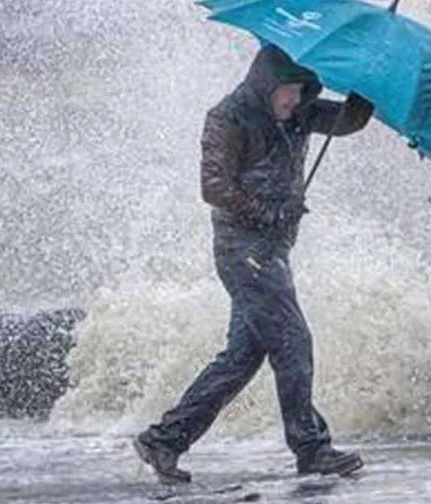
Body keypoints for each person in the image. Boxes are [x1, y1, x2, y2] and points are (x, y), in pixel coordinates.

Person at [133, 44, 374, 484]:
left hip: (273, 252)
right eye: (288, 92)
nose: (294, 101)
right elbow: (213, 186)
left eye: (302, 92)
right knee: (293, 339)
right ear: (266, 84)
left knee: (242, 356)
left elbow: (347, 121)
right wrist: (267, 212)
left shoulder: (299, 111)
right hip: (242, 250)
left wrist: (367, 86)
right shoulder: (228, 118)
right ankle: (311, 448)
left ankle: (164, 440)